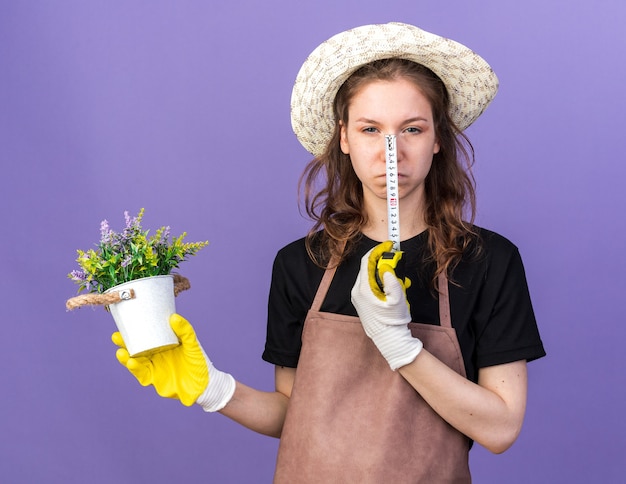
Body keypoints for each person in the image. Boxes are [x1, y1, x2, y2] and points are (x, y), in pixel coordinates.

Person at [113, 22, 546, 482]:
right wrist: (213, 388)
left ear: (437, 138)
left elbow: (500, 428)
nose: (390, 151)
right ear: (344, 138)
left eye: (412, 129)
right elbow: (293, 416)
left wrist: (401, 347)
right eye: (370, 129)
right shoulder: (300, 265)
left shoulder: (488, 261)